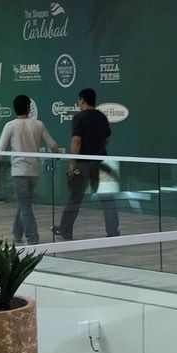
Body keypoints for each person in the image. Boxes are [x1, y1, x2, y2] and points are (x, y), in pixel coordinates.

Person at [0, 94, 61, 245]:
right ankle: (17, 233)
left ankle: (32, 239)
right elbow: (53, 144)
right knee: (24, 203)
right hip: (34, 170)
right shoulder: (38, 124)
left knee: (24, 205)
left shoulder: (10, 125)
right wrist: (58, 155)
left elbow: (0, 149)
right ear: (29, 107)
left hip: (19, 171)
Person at [52, 88, 119, 240]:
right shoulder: (102, 117)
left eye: (79, 100)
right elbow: (107, 139)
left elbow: (76, 141)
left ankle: (65, 230)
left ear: (82, 100)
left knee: (75, 198)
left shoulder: (79, 118)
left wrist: (72, 163)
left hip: (83, 163)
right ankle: (113, 231)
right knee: (107, 199)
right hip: (102, 162)